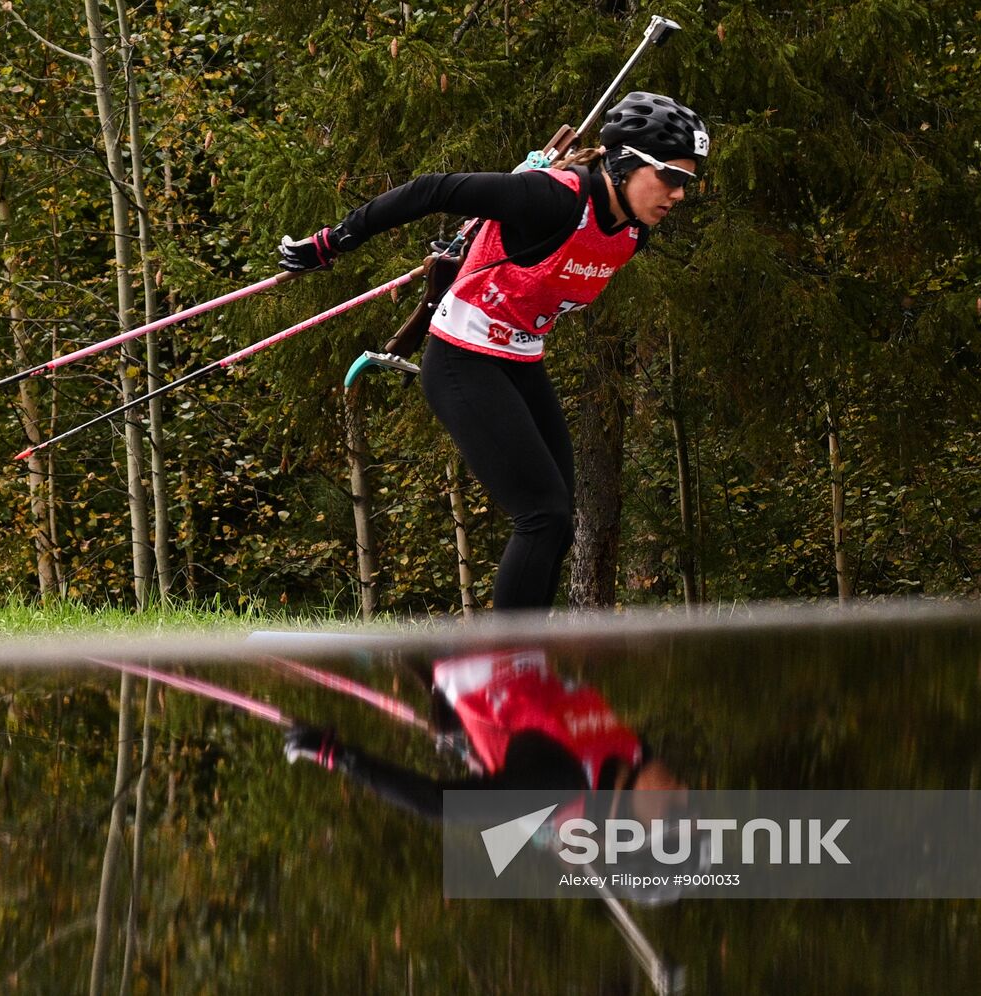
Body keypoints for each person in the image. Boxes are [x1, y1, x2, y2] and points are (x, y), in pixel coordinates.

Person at [278, 93, 710, 610]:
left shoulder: (633, 232)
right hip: (462, 360)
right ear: (624, 162)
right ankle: (506, 655)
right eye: (670, 176)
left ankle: (526, 655)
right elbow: (432, 190)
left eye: (688, 181)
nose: (679, 193)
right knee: (542, 515)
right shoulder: (552, 198)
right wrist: (332, 242)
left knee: (558, 524)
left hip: (520, 361)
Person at [282, 647, 685, 825]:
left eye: (673, 812)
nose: (684, 793)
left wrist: (337, 755)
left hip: (466, 655)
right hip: (513, 642)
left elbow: (436, 805)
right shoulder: (634, 753)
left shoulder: (556, 788)